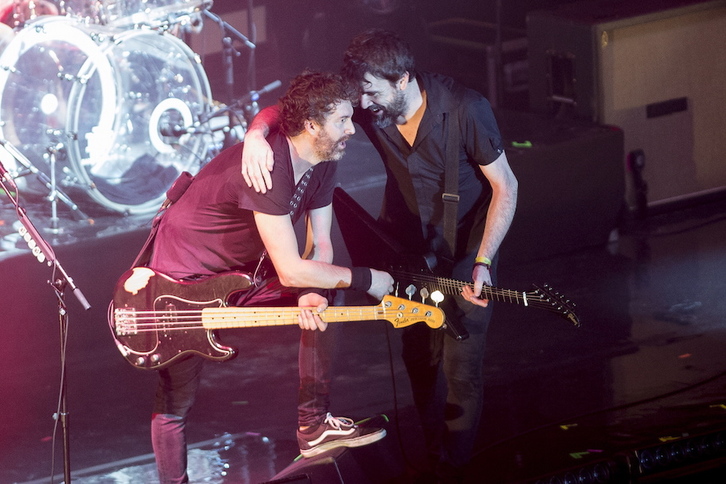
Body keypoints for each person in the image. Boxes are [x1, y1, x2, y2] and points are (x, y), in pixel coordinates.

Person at [240, 29, 518, 481]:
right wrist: (256, 133)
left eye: (371, 91)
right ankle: (433, 460)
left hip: (469, 253)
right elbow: (294, 107)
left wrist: (484, 260)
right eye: (361, 92)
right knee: (419, 360)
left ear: (403, 79)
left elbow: (506, 186)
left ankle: (455, 469)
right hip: (405, 252)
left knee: (461, 366)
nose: (363, 105)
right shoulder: (375, 107)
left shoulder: (466, 108)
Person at [146, 70, 394, 483]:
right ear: (312, 124)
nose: (353, 128)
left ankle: (313, 427)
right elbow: (291, 268)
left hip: (237, 272)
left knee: (328, 295)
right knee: (177, 394)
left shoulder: (322, 160)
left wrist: (315, 291)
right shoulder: (270, 165)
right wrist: (367, 278)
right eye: (343, 121)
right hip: (180, 280)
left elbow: (321, 247)